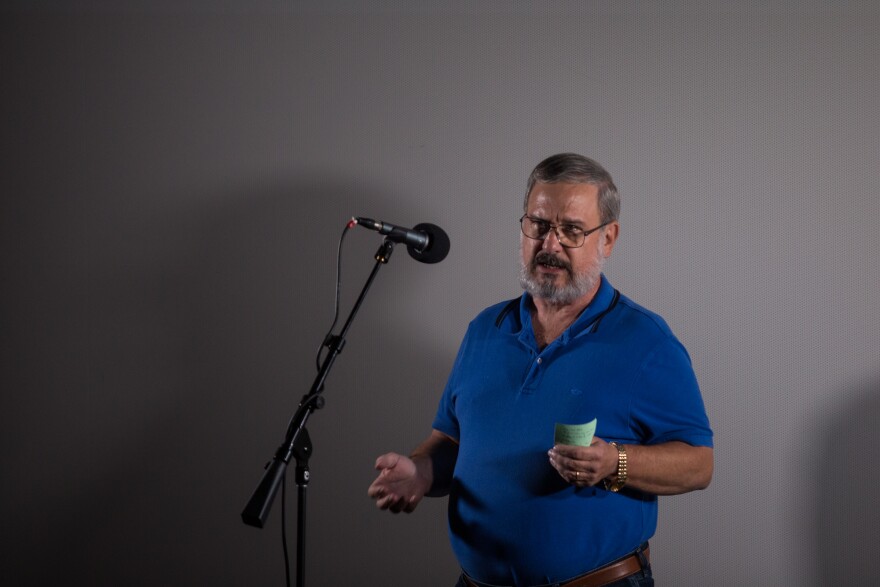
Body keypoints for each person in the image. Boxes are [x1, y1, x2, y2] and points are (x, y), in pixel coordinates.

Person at [368, 153, 713, 587]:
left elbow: (699, 464)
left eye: (571, 230)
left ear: (608, 239)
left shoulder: (646, 342)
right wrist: (421, 470)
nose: (550, 245)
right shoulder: (484, 330)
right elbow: (453, 439)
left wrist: (615, 463)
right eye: (538, 225)